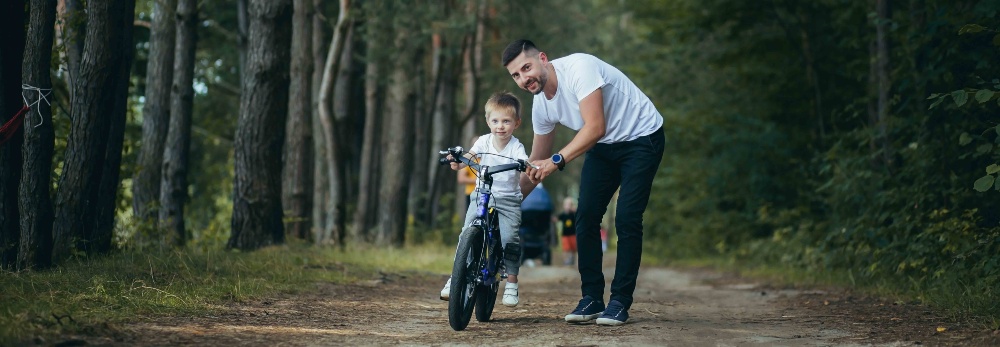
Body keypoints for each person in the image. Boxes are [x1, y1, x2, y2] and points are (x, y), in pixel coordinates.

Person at [502, 39, 665, 326]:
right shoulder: (541, 106)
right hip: (604, 146)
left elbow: (595, 126)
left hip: (642, 137)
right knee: (585, 217)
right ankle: (591, 298)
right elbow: (535, 165)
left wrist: (557, 160)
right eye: (516, 75)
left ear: (542, 58)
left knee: (627, 217)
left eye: (526, 68)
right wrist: (507, 199)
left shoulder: (580, 68)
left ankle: (619, 302)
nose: (524, 78)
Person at [440, 91, 530, 308]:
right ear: (488, 121)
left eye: (506, 121)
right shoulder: (483, 141)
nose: (500, 126)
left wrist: (524, 164)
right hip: (482, 194)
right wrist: (458, 162)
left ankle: (511, 283)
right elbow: (471, 157)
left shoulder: (516, 146)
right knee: (466, 233)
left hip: (508, 199)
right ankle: (456, 278)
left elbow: (524, 161)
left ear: (516, 123)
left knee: (510, 239)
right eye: (495, 121)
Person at [457, 136, 480, 207]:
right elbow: (461, 179)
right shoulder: (467, 160)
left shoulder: (488, 159)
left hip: (488, 194)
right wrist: (479, 180)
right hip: (471, 193)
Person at [556, 197, 578, 266]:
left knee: (573, 248)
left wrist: (574, 210)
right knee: (566, 248)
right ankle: (566, 260)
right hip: (565, 235)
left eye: (569, 204)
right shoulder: (563, 215)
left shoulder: (573, 214)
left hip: (573, 234)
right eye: (566, 204)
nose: (568, 206)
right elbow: (556, 218)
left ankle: (572, 259)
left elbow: (578, 214)